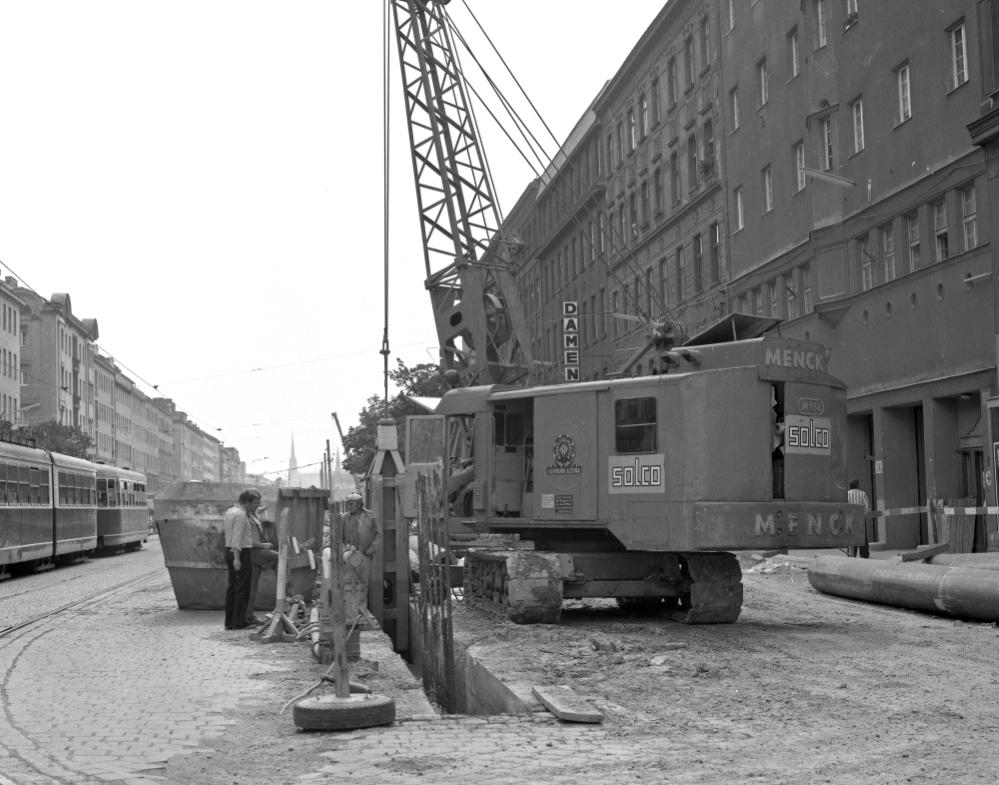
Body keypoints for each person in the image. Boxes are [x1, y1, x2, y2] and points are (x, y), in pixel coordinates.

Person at [336, 492, 382, 610]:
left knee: (362, 584)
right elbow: (338, 538)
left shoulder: (370, 516)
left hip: (365, 557)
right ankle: (349, 610)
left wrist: (371, 550)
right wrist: (345, 550)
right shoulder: (344, 518)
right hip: (348, 558)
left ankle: (361, 611)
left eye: (351, 504)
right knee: (348, 583)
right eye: (347, 504)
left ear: (359, 505)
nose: (348, 507)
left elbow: (378, 535)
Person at [223, 488, 261, 630]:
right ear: (247, 502)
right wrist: (237, 559)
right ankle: (239, 622)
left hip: (230, 550)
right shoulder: (240, 515)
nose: (255, 506)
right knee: (242, 588)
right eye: (254, 503)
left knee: (233, 587)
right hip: (240, 552)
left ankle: (230, 622)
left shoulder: (230, 511)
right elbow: (237, 538)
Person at [246, 502, 279, 625]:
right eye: (253, 503)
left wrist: (264, 507)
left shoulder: (254, 513)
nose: (256, 505)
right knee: (278, 558)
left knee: (252, 586)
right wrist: (264, 545)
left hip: (254, 552)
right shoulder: (246, 518)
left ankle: (248, 616)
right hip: (253, 550)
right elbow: (247, 541)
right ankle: (287, 596)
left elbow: (258, 510)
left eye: (257, 502)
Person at [848, 479, 872, 558]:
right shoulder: (862, 494)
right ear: (857, 485)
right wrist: (866, 513)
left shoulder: (847, 494)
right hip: (860, 518)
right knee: (862, 536)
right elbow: (866, 506)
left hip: (850, 518)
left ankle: (851, 553)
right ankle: (864, 554)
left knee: (851, 535)